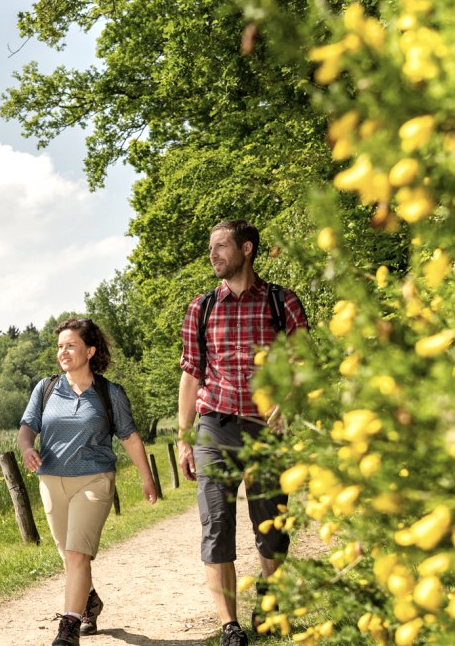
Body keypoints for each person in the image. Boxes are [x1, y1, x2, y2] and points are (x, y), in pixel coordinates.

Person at [175, 220, 309, 646]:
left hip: (264, 430)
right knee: (216, 525)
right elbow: (191, 375)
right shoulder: (201, 307)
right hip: (214, 426)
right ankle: (229, 625)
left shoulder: (280, 301)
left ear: (246, 249)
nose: (212, 255)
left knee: (271, 527)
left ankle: (269, 601)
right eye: (210, 247)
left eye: (220, 247)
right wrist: (184, 437)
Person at [19, 318, 159, 646]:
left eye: (70, 345)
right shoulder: (47, 388)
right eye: (59, 347)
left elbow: (130, 438)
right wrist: (27, 447)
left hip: (94, 480)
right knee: (69, 556)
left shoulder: (109, 394)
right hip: (51, 480)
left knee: (78, 554)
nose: (62, 352)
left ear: (90, 351)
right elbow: (27, 426)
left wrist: (147, 478)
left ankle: (68, 628)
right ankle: (89, 601)